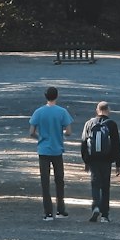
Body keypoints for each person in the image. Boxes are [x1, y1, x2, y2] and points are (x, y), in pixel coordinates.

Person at [29, 85, 74, 220]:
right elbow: (69, 132)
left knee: (45, 181)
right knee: (59, 180)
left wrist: (40, 138)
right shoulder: (62, 112)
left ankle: (48, 212)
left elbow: (31, 132)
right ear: (57, 96)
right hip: (57, 149)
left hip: (43, 150)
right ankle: (61, 209)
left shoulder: (38, 112)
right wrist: (61, 135)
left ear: (45, 97)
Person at [81, 100, 120, 223]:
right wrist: (118, 164)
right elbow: (116, 145)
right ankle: (105, 215)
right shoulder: (112, 124)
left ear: (97, 110)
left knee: (95, 184)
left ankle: (96, 206)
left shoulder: (89, 123)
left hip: (93, 160)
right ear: (108, 111)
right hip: (107, 160)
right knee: (105, 186)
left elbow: (83, 143)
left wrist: (86, 161)